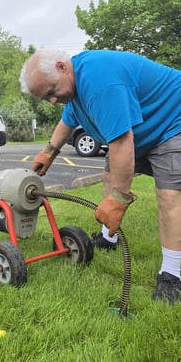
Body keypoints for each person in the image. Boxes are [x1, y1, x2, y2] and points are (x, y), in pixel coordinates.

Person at [19, 49, 181, 304]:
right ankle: (108, 237)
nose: (51, 100)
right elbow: (68, 120)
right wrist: (48, 151)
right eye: (45, 97)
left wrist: (118, 199)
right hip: (137, 128)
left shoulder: (99, 79)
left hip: (172, 121)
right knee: (109, 177)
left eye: (51, 91)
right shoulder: (73, 89)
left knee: (169, 194)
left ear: (62, 67)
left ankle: (172, 273)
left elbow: (121, 140)